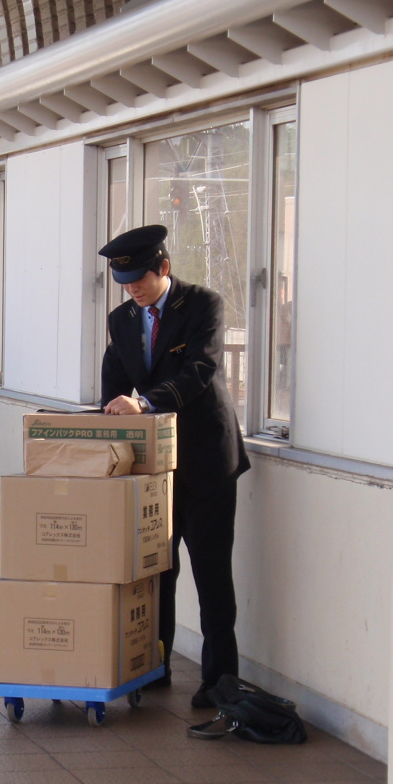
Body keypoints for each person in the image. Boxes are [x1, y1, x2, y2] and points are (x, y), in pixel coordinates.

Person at [99, 225, 250, 708]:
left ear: (163, 267)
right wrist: (110, 416)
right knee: (156, 570)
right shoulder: (122, 319)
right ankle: (153, 666)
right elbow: (115, 379)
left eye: (139, 279)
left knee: (210, 570)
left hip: (206, 460)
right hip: (152, 468)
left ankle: (219, 680)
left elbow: (200, 370)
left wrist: (143, 402)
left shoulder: (203, 304)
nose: (133, 290)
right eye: (124, 282)